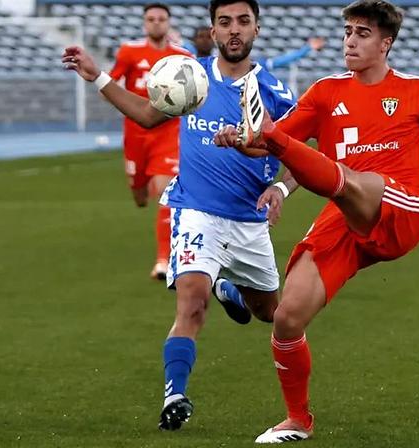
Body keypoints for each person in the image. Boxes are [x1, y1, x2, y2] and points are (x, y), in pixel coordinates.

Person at [215, 0, 419, 442]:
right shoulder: (325, 92)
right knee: (287, 317)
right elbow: (272, 142)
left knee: (353, 180)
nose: (350, 41)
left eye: (362, 33)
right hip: (345, 215)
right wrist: (241, 139)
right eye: (347, 32)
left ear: (386, 43)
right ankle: (298, 420)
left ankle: (329, 174)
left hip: (401, 211)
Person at [62, 0, 296, 431]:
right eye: (224, 22)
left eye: (243, 21)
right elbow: (147, 115)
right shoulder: (188, 76)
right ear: (213, 28)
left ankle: (232, 290)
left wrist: (280, 187)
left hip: (248, 221)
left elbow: (303, 155)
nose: (233, 30)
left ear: (257, 29)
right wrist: (97, 76)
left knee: (269, 313)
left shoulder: (276, 93)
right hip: (195, 211)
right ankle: (175, 395)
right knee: (191, 303)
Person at [109, 3, 193, 280]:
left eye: (161, 19)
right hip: (135, 134)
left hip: (168, 133)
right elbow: (111, 84)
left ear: (169, 23)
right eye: (151, 19)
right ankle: (138, 186)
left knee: (166, 193)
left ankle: (162, 259)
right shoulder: (129, 52)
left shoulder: (181, 57)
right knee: (140, 195)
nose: (156, 23)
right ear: (145, 23)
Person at [178, 27, 326, 69]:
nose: (204, 41)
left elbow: (276, 63)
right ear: (194, 40)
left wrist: (306, 49)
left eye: (208, 37)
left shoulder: (224, 62)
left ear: (214, 37)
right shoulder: (186, 59)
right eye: (200, 37)